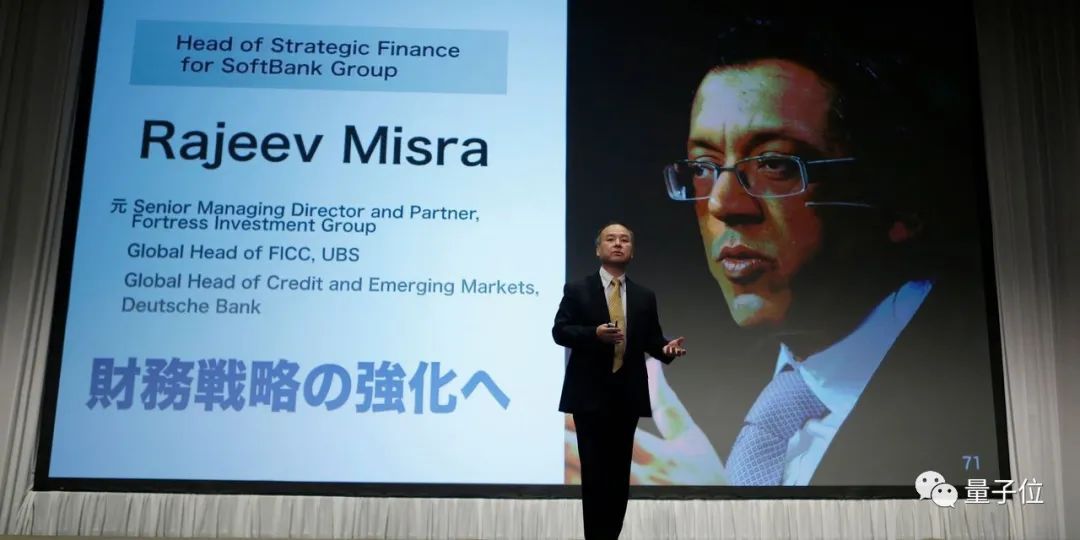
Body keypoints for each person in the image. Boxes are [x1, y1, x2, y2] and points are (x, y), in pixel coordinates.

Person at [569, 15, 1001, 488]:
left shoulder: (976, 393)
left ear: (901, 201)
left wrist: (712, 513)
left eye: (775, 164)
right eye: (703, 167)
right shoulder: (691, 395)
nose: (722, 204)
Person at [553, 222, 686, 539]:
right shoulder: (577, 290)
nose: (617, 244)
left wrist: (666, 349)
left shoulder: (644, 296)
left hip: (626, 397)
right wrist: (594, 334)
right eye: (610, 239)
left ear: (632, 251)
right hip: (589, 397)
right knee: (594, 475)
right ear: (598, 249)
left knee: (617, 476)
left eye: (624, 240)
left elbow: (651, 339)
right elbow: (560, 331)